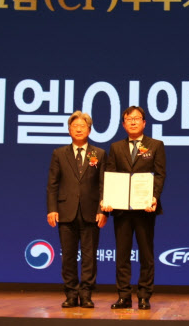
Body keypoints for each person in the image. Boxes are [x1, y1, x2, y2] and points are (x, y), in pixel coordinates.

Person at [102, 106, 166, 310]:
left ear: (144, 123)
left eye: (137, 118)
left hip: (145, 208)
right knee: (122, 255)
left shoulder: (155, 145)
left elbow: (159, 174)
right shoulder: (116, 147)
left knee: (146, 254)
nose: (133, 122)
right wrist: (108, 199)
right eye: (128, 119)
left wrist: (154, 197)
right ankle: (124, 296)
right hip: (121, 210)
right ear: (123, 124)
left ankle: (144, 296)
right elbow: (110, 174)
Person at [46, 111, 107, 308]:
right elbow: (52, 184)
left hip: (91, 213)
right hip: (66, 212)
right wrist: (52, 208)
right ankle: (71, 294)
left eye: (82, 126)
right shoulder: (59, 154)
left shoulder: (98, 154)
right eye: (75, 126)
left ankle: (86, 294)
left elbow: (103, 185)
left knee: (89, 257)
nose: (78, 129)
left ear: (89, 130)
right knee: (68, 256)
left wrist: (102, 210)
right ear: (69, 130)